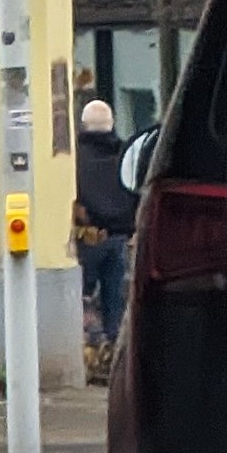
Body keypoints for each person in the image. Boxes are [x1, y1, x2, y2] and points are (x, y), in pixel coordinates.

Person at [74, 100, 138, 351]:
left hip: (88, 236)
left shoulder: (76, 155)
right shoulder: (124, 154)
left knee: (84, 295)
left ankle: (90, 345)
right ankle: (112, 347)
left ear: (83, 125)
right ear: (111, 125)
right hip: (120, 236)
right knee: (114, 298)